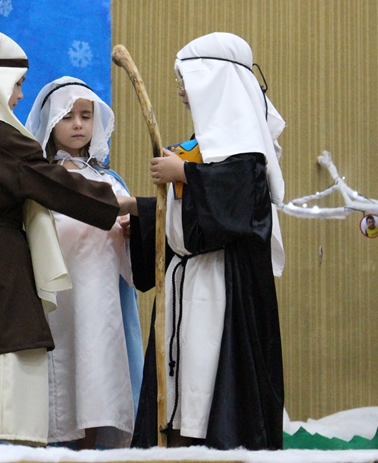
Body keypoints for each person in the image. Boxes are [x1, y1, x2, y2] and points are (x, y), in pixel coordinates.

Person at [0, 30, 128, 445]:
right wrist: (123, 203)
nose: (20, 95)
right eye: (17, 84)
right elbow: (56, 185)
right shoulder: (0, 137)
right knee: (3, 400)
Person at [122, 32, 286, 450]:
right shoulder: (203, 149)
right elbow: (188, 218)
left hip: (222, 288)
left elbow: (234, 209)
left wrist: (185, 174)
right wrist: (142, 212)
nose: (181, 91)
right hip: (187, 283)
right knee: (180, 387)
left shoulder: (246, 153)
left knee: (210, 385)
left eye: (188, 81)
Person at [24, 77, 142, 449]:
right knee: (62, 375)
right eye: (67, 116)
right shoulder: (41, 181)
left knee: (98, 372)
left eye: (86, 116)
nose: (78, 124)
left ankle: (96, 446)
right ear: (50, 122)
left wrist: (132, 231)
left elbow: (133, 245)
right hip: (58, 301)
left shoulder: (109, 181)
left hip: (102, 299)